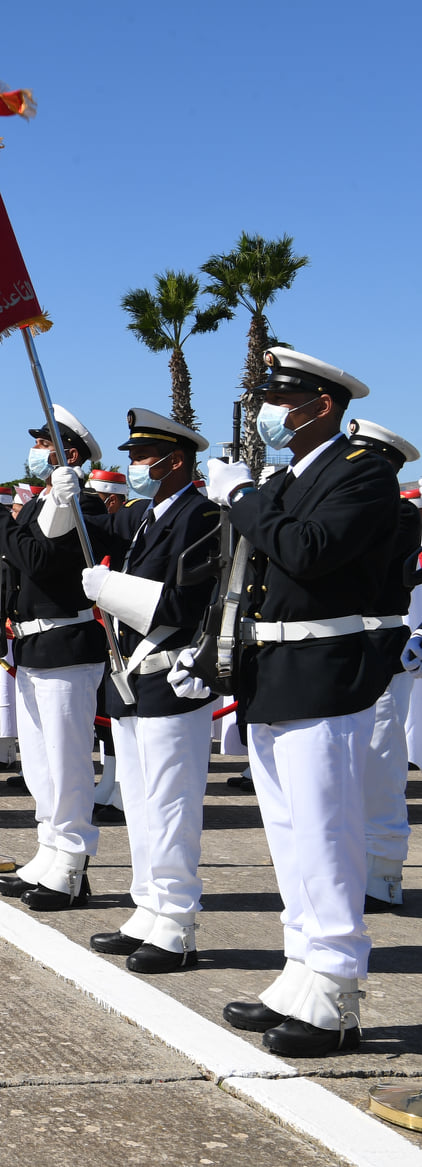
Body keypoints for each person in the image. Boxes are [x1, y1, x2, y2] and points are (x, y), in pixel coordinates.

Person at [182, 348, 393, 1057]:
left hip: (324, 671)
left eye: (280, 397)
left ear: (321, 406)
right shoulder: (287, 478)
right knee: (288, 836)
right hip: (271, 670)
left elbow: (307, 550)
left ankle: (337, 990)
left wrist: (243, 498)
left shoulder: (362, 471)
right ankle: (301, 969)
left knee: (327, 835)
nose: (269, 411)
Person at [76, 408, 219, 974]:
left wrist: (112, 589)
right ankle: (150, 907)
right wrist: (67, 492)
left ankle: (178, 923)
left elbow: (186, 603)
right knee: (139, 802)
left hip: (173, 675)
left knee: (171, 803)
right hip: (136, 679)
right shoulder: (147, 517)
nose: (131, 466)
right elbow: (83, 531)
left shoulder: (201, 515)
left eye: (139, 457)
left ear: (175, 460)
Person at [0, 404, 109, 910]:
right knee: (39, 764)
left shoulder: (87, 507)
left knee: (67, 763)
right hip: (32, 644)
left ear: (68, 455)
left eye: (44, 445)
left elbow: (38, 559)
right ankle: (50, 848)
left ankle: (74, 863)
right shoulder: (36, 506)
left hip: (66, 644)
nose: (35, 453)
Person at [354, 421, 422, 914]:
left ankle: (383, 874)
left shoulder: (398, 516)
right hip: (345, 643)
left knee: (380, 763)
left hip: (378, 641)